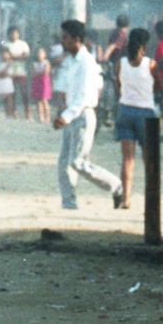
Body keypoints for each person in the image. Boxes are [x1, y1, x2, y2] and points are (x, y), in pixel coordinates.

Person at [53, 19, 123, 210]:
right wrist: (62, 108)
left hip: (82, 115)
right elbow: (61, 86)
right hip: (70, 114)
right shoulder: (69, 61)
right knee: (64, 164)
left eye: (65, 38)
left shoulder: (86, 62)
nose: (62, 41)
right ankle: (69, 204)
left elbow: (84, 96)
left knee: (78, 162)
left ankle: (116, 186)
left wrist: (66, 116)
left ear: (76, 39)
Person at [113, 27, 157, 210]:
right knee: (149, 160)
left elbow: (118, 87)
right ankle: (151, 199)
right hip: (145, 113)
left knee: (128, 160)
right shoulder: (151, 64)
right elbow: (159, 85)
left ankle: (127, 198)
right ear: (145, 45)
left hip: (125, 111)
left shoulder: (120, 63)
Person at [4, 26, 31, 119]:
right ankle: (14, 112)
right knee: (12, 93)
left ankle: (28, 113)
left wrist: (13, 57)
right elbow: (5, 56)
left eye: (15, 33)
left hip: (21, 71)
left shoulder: (23, 44)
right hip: (10, 72)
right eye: (11, 33)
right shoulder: (6, 44)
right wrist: (16, 57)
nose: (13, 35)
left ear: (18, 34)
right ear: (8, 34)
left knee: (24, 93)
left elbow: (25, 57)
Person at [31, 46, 53, 123]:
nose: (39, 54)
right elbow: (33, 73)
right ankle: (41, 117)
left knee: (44, 100)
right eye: (38, 53)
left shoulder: (46, 62)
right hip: (37, 82)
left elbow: (46, 72)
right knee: (38, 100)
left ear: (45, 54)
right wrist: (38, 73)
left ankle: (47, 117)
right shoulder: (34, 64)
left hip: (44, 83)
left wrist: (38, 73)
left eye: (41, 53)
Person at [0, 48, 16, 117]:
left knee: (9, 98)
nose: (4, 56)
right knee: (4, 98)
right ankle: (7, 113)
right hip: (1, 82)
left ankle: (11, 112)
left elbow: (6, 72)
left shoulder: (10, 63)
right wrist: (0, 74)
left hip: (8, 81)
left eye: (6, 54)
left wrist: (2, 73)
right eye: (3, 54)